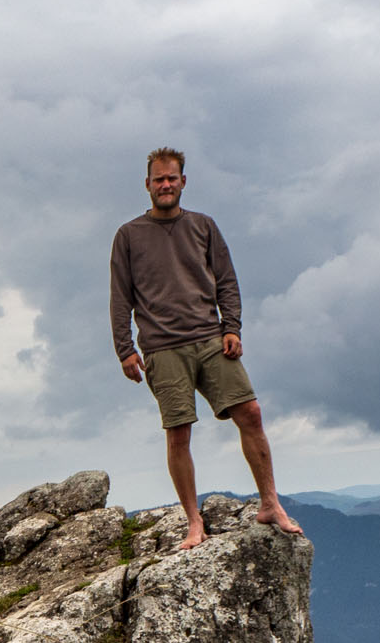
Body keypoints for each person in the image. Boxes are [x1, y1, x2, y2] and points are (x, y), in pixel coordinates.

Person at [110, 147, 302, 550]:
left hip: (211, 339)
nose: (165, 185)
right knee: (178, 433)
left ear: (183, 182)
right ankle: (194, 523)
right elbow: (120, 296)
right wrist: (125, 349)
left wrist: (231, 327)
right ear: (147, 185)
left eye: (172, 178)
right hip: (162, 348)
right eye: (158, 179)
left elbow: (227, 280)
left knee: (250, 412)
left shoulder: (204, 226)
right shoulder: (128, 235)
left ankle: (271, 504)